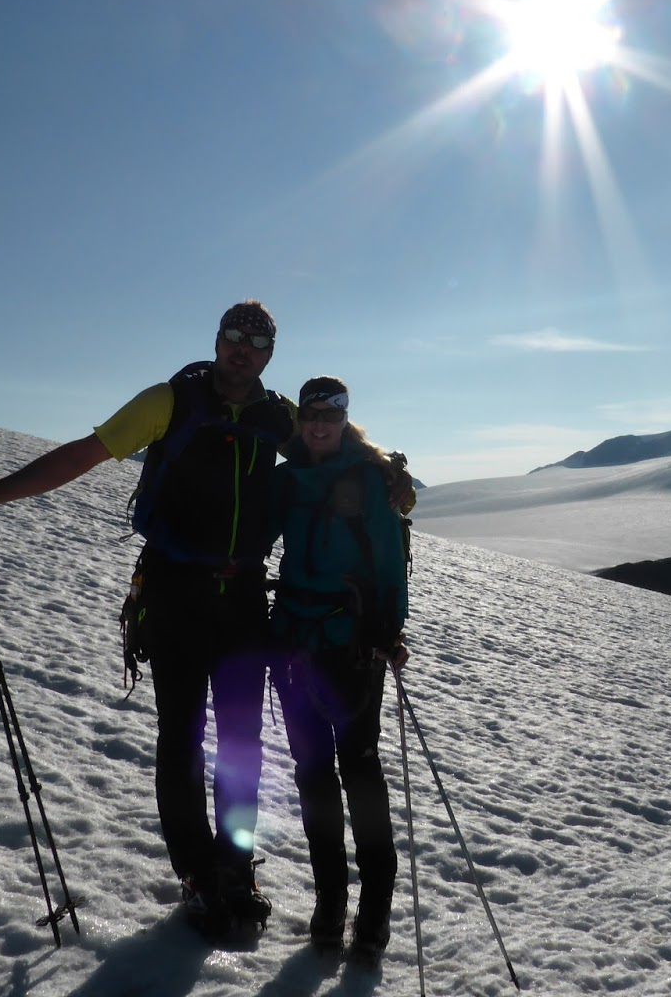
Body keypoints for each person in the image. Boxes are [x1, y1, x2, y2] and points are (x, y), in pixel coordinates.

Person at [0, 300, 295, 937]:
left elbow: (339, 447)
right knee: (180, 738)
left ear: (269, 353)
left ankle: (236, 869)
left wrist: (388, 479)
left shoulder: (279, 416)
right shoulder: (168, 401)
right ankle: (198, 875)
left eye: (256, 342)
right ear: (216, 340)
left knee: (242, 744)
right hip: (177, 593)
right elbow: (83, 455)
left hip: (242, 600)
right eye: (233, 337)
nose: (242, 349)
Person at [266, 376, 411, 962]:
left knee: (357, 771)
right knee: (311, 775)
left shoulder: (368, 480)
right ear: (300, 420)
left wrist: (389, 631)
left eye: (331, 414)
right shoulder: (287, 479)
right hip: (295, 642)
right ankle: (331, 905)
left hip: (351, 646)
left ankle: (371, 914)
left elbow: (390, 562)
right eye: (311, 414)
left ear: (345, 419)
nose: (320, 423)